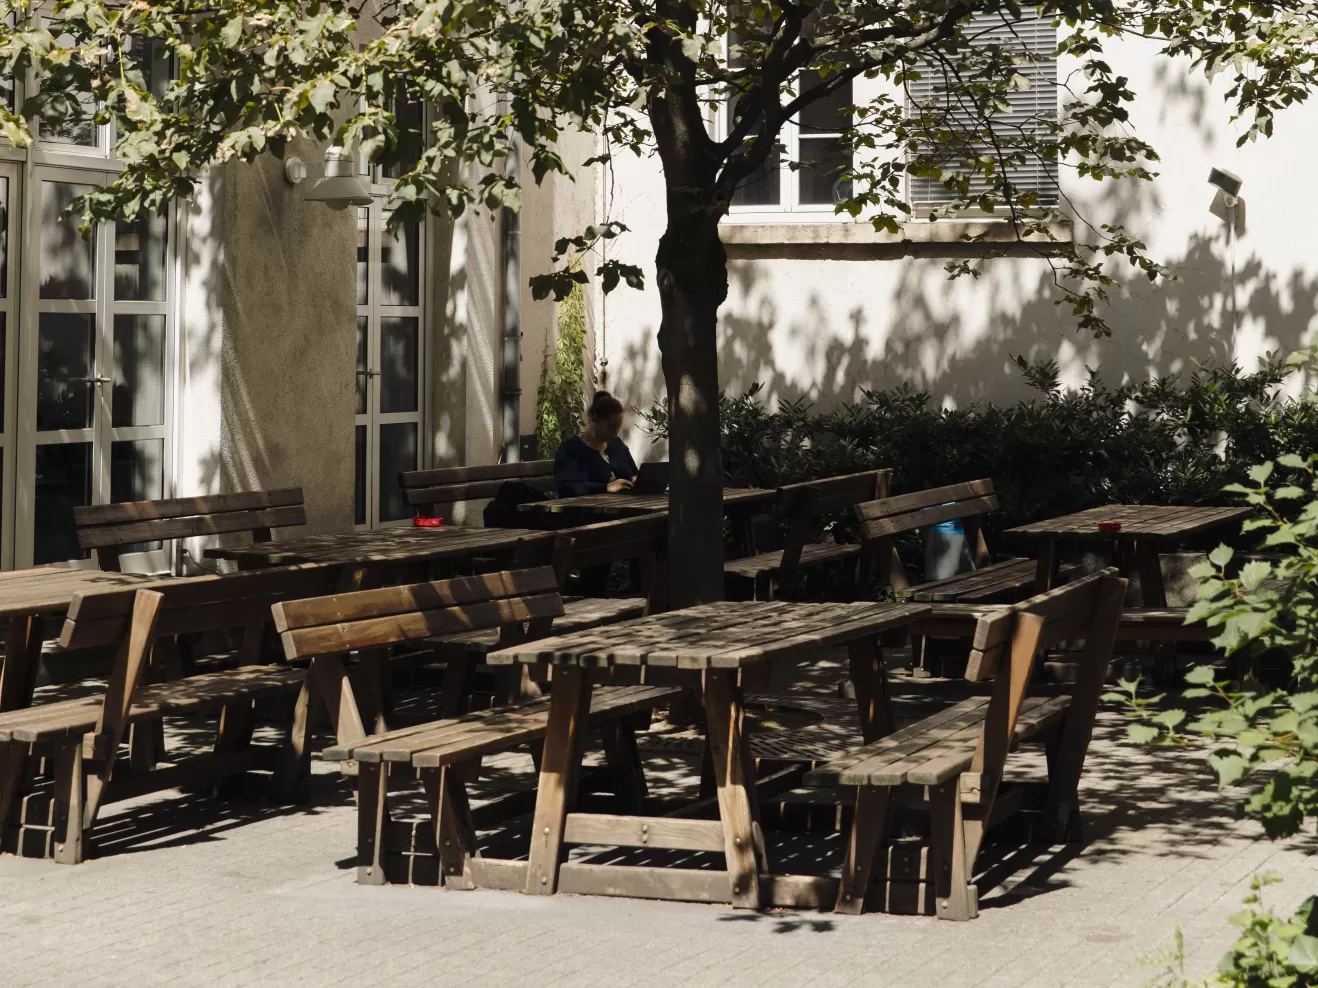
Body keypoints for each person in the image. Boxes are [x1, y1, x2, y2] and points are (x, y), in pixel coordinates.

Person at [555, 391, 639, 496]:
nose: (616, 432)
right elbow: (567, 486)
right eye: (611, 426)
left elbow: (634, 473)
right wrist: (606, 487)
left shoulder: (617, 444)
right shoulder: (571, 448)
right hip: (588, 509)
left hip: (624, 504)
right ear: (594, 420)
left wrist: (636, 480)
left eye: (619, 426)